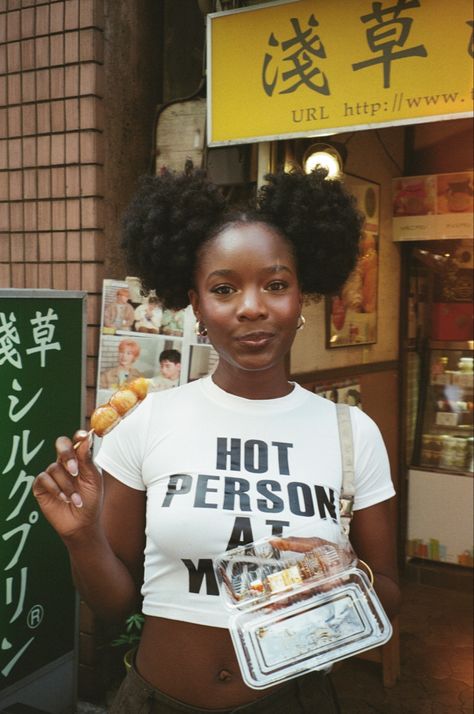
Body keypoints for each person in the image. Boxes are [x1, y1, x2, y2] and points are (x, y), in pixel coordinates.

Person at [33, 168, 400, 714]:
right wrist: (82, 538)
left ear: (303, 296)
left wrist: (344, 573)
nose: (252, 306)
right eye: (225, 289)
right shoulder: (149, 422)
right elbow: (115, 605)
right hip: (156, 701)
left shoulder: (353, 433)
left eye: (276, 285)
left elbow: (389, 599)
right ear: (197, 306)